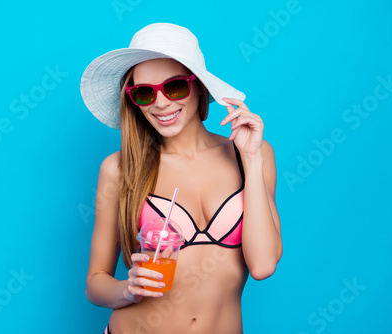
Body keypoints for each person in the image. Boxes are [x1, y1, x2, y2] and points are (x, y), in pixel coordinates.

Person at [80, 23, 282, 334]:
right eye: (145, 93)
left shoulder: (252, 155)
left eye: (174, 87)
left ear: (199, 86)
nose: (160, 103)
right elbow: (95, 284)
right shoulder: (120, 168)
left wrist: (252, 159)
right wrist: (127, 290)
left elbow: (263, 265)